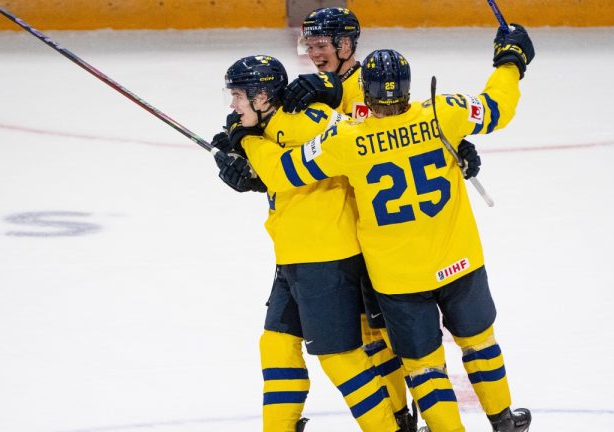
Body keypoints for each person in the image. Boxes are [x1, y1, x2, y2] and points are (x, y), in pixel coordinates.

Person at [217, 23, 535, 432]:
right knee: (480, 342)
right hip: (459, 259)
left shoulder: (349, 139)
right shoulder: (443, 114)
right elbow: (498, 105)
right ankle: (503, 422)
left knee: (424, 369)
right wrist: (510, 60)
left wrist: (246, 141)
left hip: (397, 276)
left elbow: (284, 172)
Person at [212, 55, 400, 432]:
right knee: (277, 345)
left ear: (262, 95)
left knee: (340, 357)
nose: (232, 105)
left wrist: (248, 145)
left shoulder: (306, 119)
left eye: (237, 95)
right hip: (294, 255)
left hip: (325, 256)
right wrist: (241, 162)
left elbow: (352, 146)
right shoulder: (267, 123)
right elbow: (272, 173)